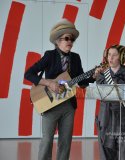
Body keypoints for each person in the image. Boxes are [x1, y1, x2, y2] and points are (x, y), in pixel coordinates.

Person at [24, 19, 95, 160]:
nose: (70, 41)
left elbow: (80, 81)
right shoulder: (49, 55)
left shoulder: (75, 58)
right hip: (50, 105)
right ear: (57, 41)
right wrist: (49, 83)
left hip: (68, 105)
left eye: (72, 39)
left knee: (65, 142)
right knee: (47, 140)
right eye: (67, 38)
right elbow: (29, 74)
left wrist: (93, 76)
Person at [95, 45, 125, 160]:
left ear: (120, 57)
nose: (111, 57)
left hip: (121, 115)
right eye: (109, 55)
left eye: (114, 55)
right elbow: (98, 93)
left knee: (124, 149)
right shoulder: (102, 73)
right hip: (105, 115)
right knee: (105, 149)